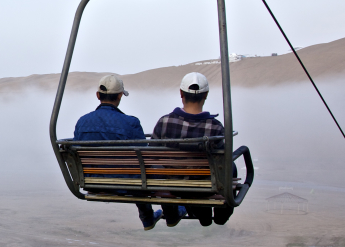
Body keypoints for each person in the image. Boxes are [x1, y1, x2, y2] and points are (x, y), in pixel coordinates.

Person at [74, 74, 156, 230]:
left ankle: (149, 219)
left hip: (93, 181)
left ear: (98, 95)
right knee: (143, 173)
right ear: (120, 96)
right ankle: (147, 218)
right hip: (126, 183)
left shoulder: (82, 122)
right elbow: (144, 157)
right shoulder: (131, 123)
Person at [151, 72, 231, 227]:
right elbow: (222, 162)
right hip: (204, 187)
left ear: (181, 93)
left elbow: (152, 155)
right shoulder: (215, 127)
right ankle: (221, 214)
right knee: (231, 166)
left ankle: (183, 213)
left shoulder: (165, 122)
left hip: (172, 185)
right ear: (205, 95)